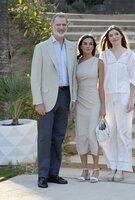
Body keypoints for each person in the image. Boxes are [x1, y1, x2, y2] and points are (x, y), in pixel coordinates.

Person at [31, 13, 77, 188]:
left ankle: (53, 173)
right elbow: (35, 77)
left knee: (58, 137)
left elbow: (73, 75)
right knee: (45, 137)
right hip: (47, 97)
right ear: (52, 26)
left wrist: (73, 98)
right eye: (58, 24)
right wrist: (38, 101)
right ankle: (42, 175)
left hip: (65, 96)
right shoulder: (41, 47)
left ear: (67, 26)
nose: (61, 28)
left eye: (64, 25)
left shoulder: (72, 47)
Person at [98, 25, 135, 182]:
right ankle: (112, 165)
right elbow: (100, 81)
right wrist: (101, 102)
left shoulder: (130, 55)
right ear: (108, 39)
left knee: (123, 132)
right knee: (108, 133)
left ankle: (122, 167)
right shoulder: (104, 55)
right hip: (108, 96)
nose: (113, 37)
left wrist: (131, 100)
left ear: (121, 36)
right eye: (110, 35)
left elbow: (133, 79)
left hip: (123, 96)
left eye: (116, 34)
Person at [75, 34, 106, 183]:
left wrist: (103, 107)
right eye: (85, 44)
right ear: (80, 46)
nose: (88, 46)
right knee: (81, 135)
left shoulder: (98, 62)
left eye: (91, 44)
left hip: (94, 102)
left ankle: (96, 169)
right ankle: (84, 169)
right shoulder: (76, 62)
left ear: (94, 47)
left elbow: (101, 87)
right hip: (80, 102)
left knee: (91, 135)